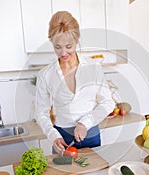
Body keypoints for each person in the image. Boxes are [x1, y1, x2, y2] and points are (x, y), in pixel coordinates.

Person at [35, 11, 115, 155]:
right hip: (62, 138)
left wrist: (85, 123)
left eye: (69, 46)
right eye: (57, 47)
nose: (63, 52)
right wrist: (53, 136)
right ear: (51, 42)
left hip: (90, 134)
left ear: (77, 40)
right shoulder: (45, 75)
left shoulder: (93, 67)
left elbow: (108, 102)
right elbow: (41, 113)